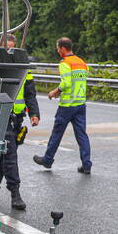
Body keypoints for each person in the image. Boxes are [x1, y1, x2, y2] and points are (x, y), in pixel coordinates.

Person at [33, 36, 92, 174]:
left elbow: (66, 83)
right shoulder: (82, 62)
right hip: (80, 104)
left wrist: (55, 92)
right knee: (82, 136)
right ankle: (87, 165)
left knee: (57, 134)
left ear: (63, 48)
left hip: (67, 105)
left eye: (58, 48)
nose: (58, 51)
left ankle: (47, 160)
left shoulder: (65, 63)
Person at [0, 34, 40, 210]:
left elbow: (30, 93)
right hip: (0, 115)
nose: (10, 52)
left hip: (16, 118)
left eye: (13, 49)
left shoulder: (24, 69)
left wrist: (34, 113)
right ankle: (15, 194)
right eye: (7, 48)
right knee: (10, 154)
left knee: (0, 152)